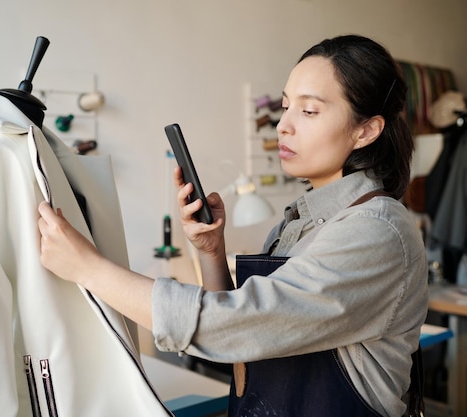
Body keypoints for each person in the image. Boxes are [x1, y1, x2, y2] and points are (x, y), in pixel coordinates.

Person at [37, 34, 428, 417]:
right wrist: (212, 253)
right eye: (286, 106)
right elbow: (246, 341)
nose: (283, 126)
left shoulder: (377, 231)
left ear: (366, 130)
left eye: (308, 112)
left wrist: (88, 268)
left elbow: (230, 324)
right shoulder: (298, 224)